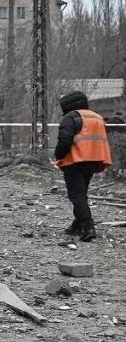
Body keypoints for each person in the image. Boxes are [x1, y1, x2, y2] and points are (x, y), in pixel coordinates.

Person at [54, 91, 113, 242]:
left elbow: (65, 140)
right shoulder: (97, 117)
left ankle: (88, 227)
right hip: (94, 160)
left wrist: (58, 155)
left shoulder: (71, 117)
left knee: (77, 195)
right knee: (81, 193)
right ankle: (77, 224)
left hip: (76, 160)